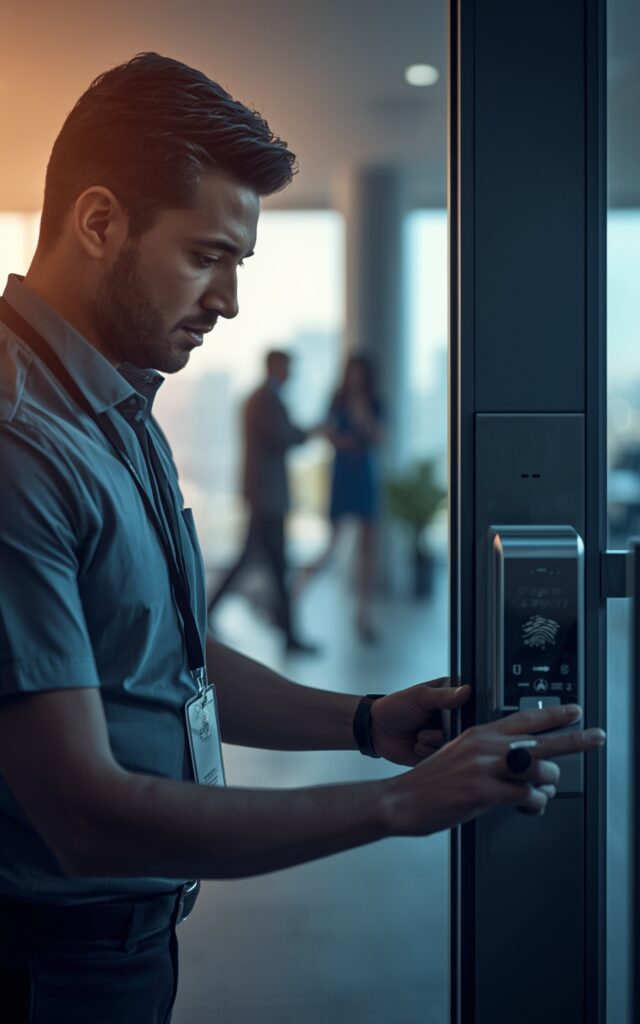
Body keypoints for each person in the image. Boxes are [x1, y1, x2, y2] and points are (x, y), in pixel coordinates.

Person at [0, 53, 605, 1022]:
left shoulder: (115, 405)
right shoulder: (19, 442)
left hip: (125, 951)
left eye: (239, 264)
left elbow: (167, 657)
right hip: (46, 975)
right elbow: (84, 819)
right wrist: (398, 806)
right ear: (100, 221)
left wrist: (361, 722)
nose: (229, 302)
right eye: (206, 255)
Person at [207, 348, 318, 654]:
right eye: (288, 367)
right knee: (277, 566)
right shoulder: (264, 400)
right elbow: (283, 438)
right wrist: (311, 431)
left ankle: (208, 614)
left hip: (263, 495)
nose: (291, 373)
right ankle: (290, 636)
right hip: (266, 496)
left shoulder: (261, 399)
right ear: (275, 367)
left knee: (250, 561)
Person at [298, 354, 384, 642]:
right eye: (352, 372)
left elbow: (379, 437)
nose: (355, 378)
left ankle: (364, 614)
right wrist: (343, 439)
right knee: (332, 546)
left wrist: (363, 416)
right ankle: (294, 593)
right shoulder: (336, 399)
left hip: (365, 475)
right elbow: (328, 432)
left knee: (368, 549)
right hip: (343, 476)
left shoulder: (374, 401)